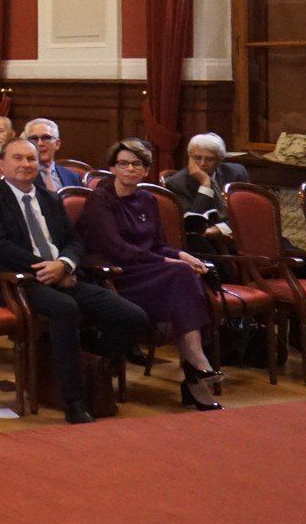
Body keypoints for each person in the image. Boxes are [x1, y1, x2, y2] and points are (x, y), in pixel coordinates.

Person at [0, 138, 148, 424]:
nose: (26, 165)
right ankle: (73, 400)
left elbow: (74, 240)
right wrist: (46, 269)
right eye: (18, 158)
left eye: (30, 159)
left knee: (132, 316)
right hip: (18, 282)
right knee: (65, 309)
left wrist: (63, 265)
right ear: (1, 164)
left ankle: (92, 361)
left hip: (63, 274)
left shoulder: (50, 198)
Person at [76, 139, 221, 410]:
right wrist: (168, 260)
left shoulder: (147, 200)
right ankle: (197, 370)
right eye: (123, 164)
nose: (130, 169)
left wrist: (182, 255)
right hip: (119, 274)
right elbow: (116, 249)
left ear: (146, 171)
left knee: (189, 274)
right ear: (112, 168)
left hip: (153, 269)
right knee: (182, 276)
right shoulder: (100, 199)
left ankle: (196, 371)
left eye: (137, 164)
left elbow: (159, 244)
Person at [162, 133, 250, 256]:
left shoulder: (236, 173)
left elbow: (247, 211)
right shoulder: (177, 183)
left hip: (242, 231)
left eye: (209, 159)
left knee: (282, 243)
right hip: (208, 240)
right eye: (197, 158)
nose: (202, 164)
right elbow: (193, 222)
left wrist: (222, 228)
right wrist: (205, 184)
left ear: (219, 160)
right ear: (189, 158)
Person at [23, 118, 83, 189]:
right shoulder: (21, 176)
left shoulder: (72, 177)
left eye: (46, 137)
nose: (40, 143)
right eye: (34, 138)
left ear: (57, 144)